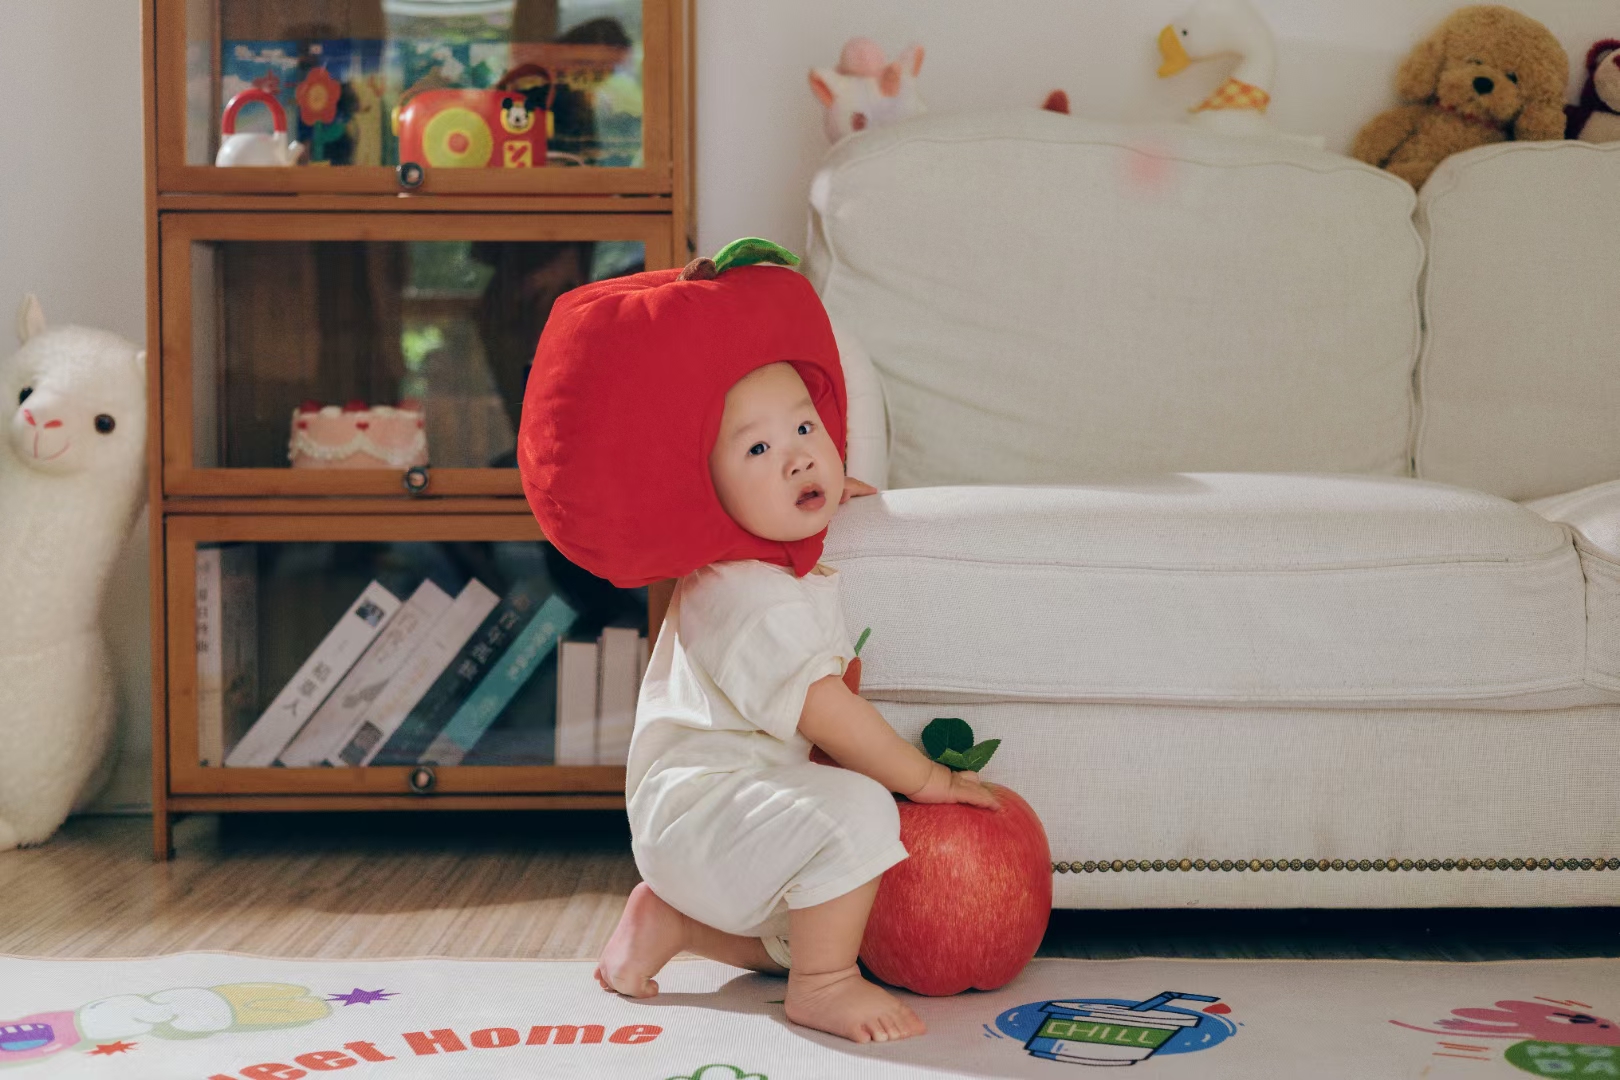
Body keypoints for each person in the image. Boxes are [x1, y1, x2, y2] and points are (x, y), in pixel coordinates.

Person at [518, 240, 999, 1045]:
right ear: (703, 490)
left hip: (718, 813)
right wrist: (926, 782)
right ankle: (824, 986)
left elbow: (789, 484)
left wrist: (815, 489)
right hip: (702, 810)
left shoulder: (761, 558)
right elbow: (826, 711)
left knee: (821, 910)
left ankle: (672, 923)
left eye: (805, 427)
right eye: (758, 450)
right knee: (861, 813)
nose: (799, 455)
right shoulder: (745, 595)